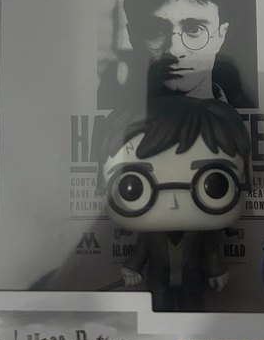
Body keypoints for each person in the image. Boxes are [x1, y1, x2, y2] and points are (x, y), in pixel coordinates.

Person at [98, 95, 251, 312]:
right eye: (133, 186)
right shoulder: (150, 234)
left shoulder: (200, 233)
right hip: (159, 284)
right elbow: (141, 250)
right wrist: (130, 269)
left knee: (193, 314)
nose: (174, 203)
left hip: (193, 283)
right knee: (159, 316)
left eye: (215, 184)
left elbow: (211, 251)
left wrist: (217, 271)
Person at [100, 0, 254, 107]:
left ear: (221, 35)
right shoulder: (114, 118)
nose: (174, 51)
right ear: (133, 36)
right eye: (157, 30)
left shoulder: (247, 114)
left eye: (194, 29)